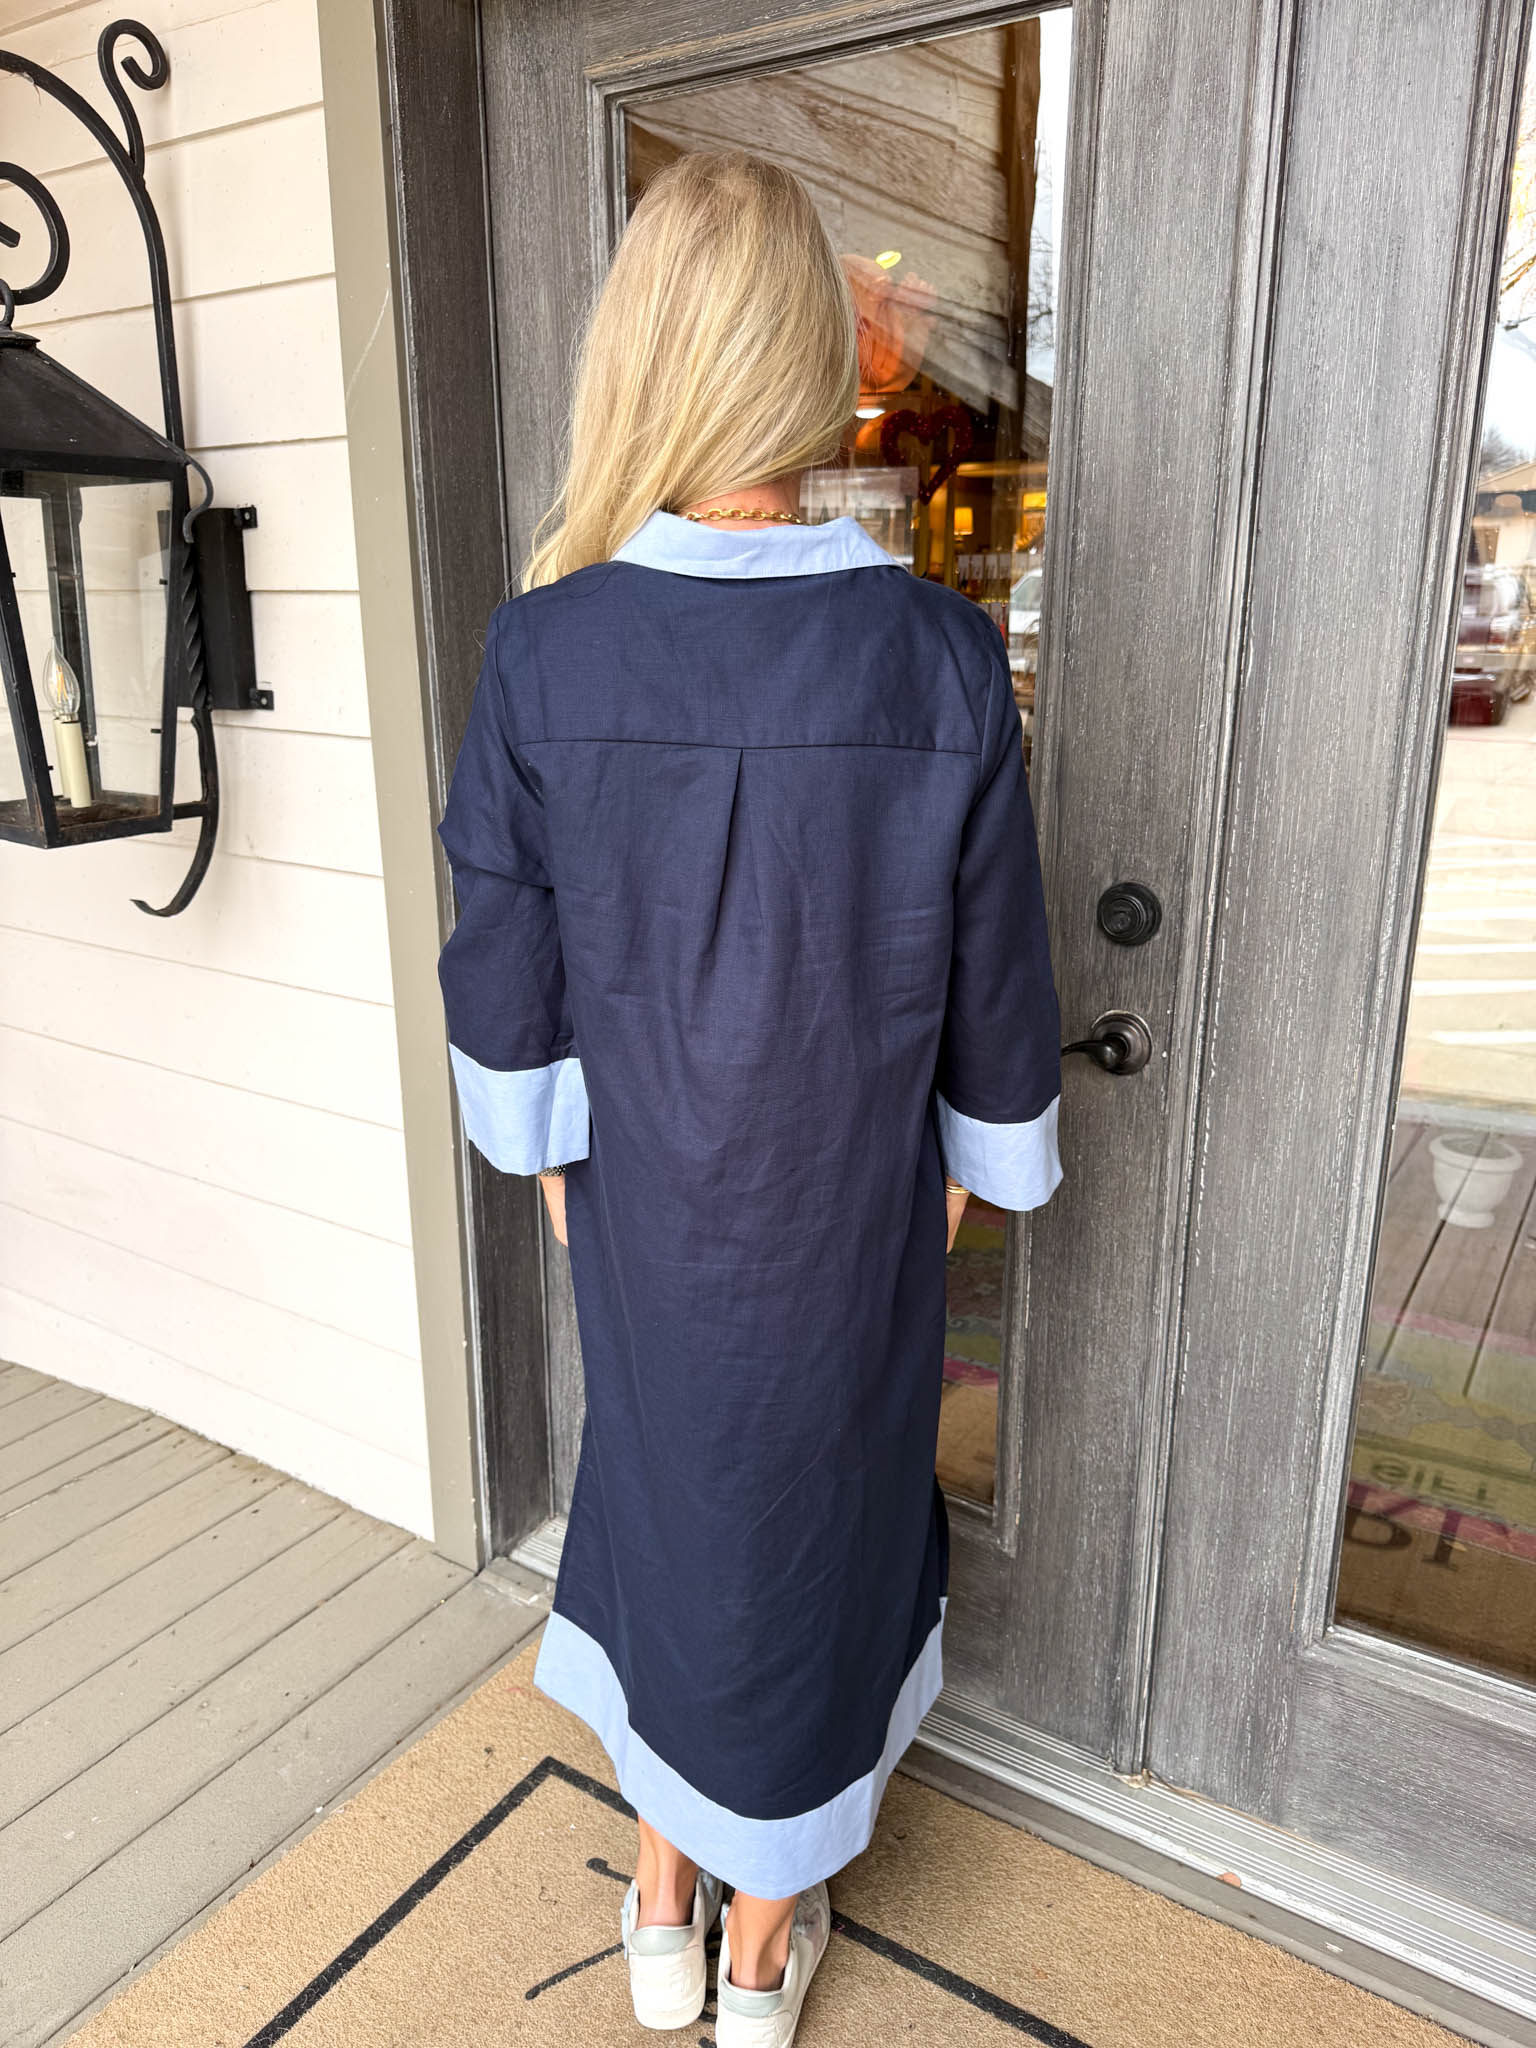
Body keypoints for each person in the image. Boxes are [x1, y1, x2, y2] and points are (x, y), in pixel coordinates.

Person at [435, 148, 1063, 2046]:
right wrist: (947, 1183)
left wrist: (566, 1175)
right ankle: (760, 1952)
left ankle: (661, 1902)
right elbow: (996, 993)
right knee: (822, 1537)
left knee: (671, 1506)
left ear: (641, 351)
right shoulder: (939, 655)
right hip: (852, 1224)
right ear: (808, 360)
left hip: (645, 1212)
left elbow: (507, 978)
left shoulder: (544, 645)